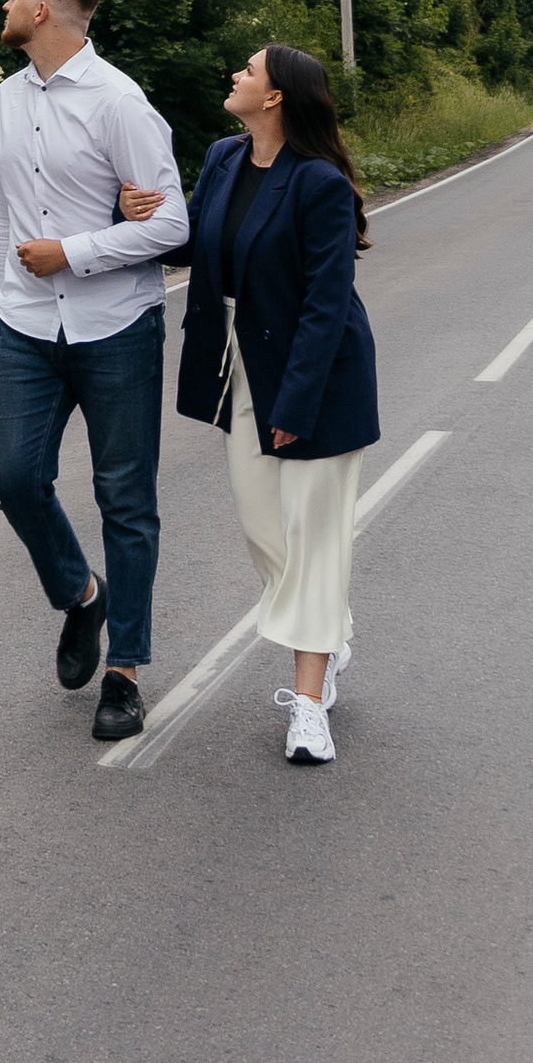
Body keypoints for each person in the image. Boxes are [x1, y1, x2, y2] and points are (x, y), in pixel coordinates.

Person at [0, 0, 189, 744]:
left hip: (116, 327)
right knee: (14, 476)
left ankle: (125, 674)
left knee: (125, 501)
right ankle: (81, 595)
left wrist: (72, 252)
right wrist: (0, 307)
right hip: (27, 327)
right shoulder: (6, 98)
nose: (6, 5)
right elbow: (2, 215)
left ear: (43, 9)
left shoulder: (119, 102)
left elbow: (172, 225)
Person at [172, 42, 379, 767]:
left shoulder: (320, 183)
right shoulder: (224, 159)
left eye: (249, 70)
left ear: (276, 96)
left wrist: (295, 403)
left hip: (316, 377)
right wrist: (128, 213)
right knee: (266, 533)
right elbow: (192, 245)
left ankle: (310, 706)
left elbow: (326, 304)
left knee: (313, 537)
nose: (235, 74)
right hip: (240, 367)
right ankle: (331, 633)